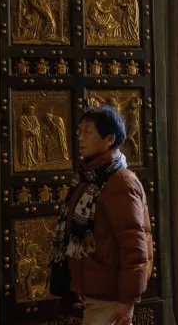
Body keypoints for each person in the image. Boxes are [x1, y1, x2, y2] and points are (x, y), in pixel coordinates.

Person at [49, 106, 153, 325]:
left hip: (110, 296)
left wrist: (127, 300)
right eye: (79, 131)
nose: (80, 137)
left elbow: (134, 247)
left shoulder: (120, 183)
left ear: (109, 139)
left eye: (88, 131)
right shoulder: (87, 179)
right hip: (90, 290)